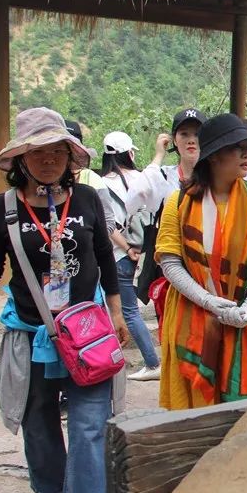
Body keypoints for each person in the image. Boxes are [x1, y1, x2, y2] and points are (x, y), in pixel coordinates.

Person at [0, 107, 129, 493]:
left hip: (89, 332)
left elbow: (103, 260)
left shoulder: (88, 202)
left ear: (70, 156)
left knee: (91, 421)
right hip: (30, 332)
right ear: (21, 157)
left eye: (58, 149)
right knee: (37, 419)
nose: (49, 158)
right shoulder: (1, 210)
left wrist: (117, 313)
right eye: (38, 150)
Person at [154, 114, 247, 409]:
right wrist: (207, 301)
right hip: (193, 315)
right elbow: (170, 261)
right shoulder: (178, 202)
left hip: (246, 318)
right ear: (213, 156)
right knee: (194, 413)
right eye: (236, 147)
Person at [124, 107, 207, 305]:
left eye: (197, 134)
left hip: (206, 267)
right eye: (184, 134)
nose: (191, 140)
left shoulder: (216, 179)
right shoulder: (163, 177)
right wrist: (158, 156)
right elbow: (132, 201)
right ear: (173, 140)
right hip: (169, 270)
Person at [99, 130, 160, 380]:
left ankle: (153, 363)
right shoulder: (142, 178)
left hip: (118, 255)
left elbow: (107, 225)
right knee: (128, 310)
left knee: (126, 312)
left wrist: (125, 248)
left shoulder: (102, 183)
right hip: (141, 251)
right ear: (129, 153)